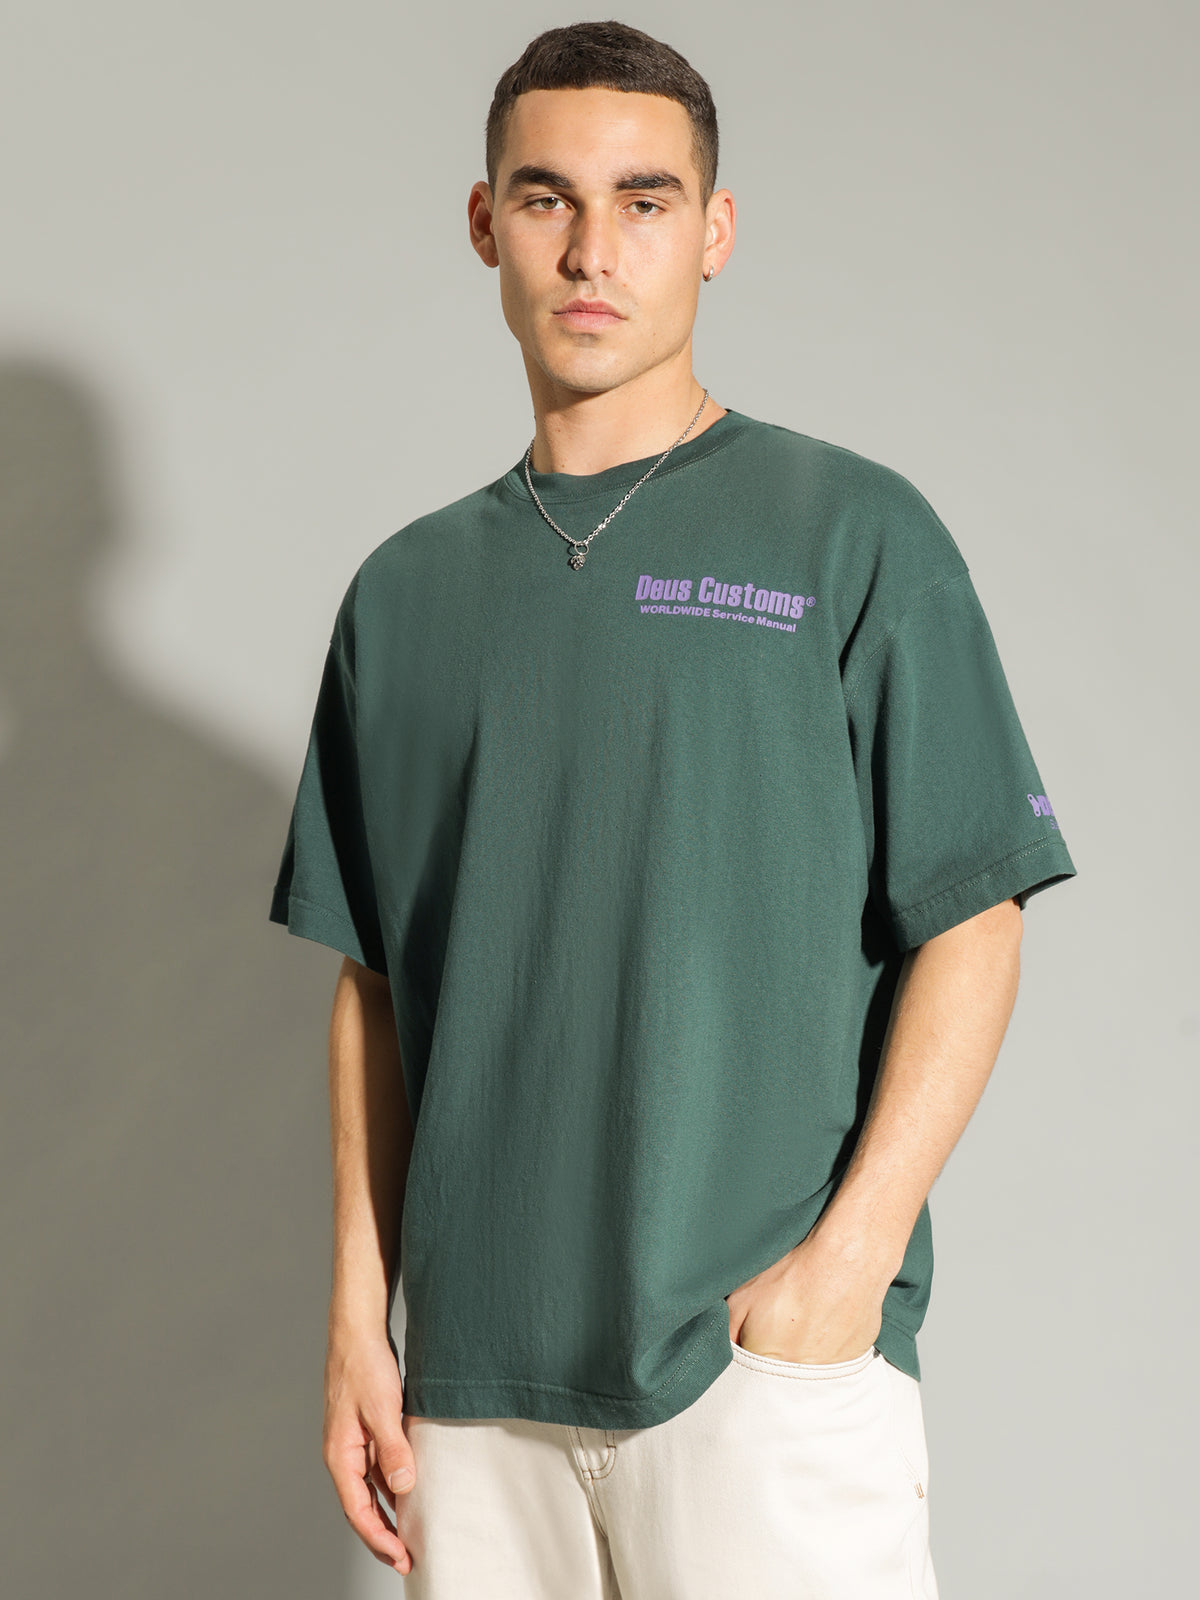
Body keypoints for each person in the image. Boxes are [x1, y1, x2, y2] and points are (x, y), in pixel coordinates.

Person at [267, 19, 1076, 1598]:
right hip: (472, 1391)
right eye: (548, 198)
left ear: (715, 231)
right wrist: (358, 1317)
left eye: (644, 202)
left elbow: (975, 914)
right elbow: (374, 980)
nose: (593, 249)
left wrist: (844, 1274)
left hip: (758, 1368)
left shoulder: (854, 534)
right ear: (485, 222)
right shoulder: (403, 594)